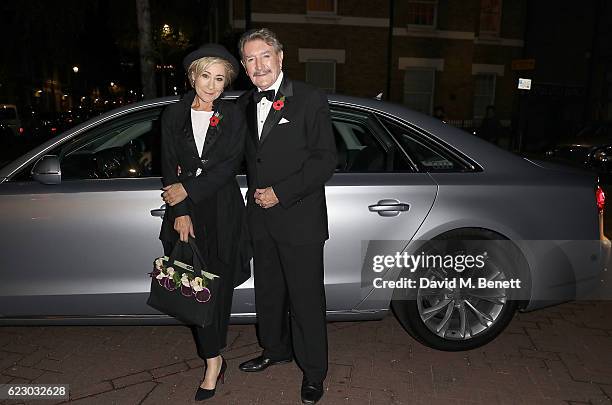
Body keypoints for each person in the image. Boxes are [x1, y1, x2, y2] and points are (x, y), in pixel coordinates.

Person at [236, 28, 337, 404]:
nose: (258, 64)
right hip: (260, 220)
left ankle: (314, 372)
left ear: (280, 57)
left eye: (264, 55)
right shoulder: (244, 104)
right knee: (270, 292)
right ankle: (275, 350)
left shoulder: (309, 98)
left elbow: (326, 159)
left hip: (299, 218)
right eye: (250, 58)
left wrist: (281, 192)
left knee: (306, 299)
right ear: (244, 66)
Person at [159, 43, 250, 401]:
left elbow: (228, 167)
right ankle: (214, 357)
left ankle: (212, 360)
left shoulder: (232, 116)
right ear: (192, 75)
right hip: (188, 210)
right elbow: (168, 164)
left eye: (220, 79)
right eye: (205, 76)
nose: (211, 85)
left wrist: (186, 191)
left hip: (223, 209)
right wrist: (180, 211)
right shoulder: (173, 114)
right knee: (195, 285)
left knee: (218, 288)